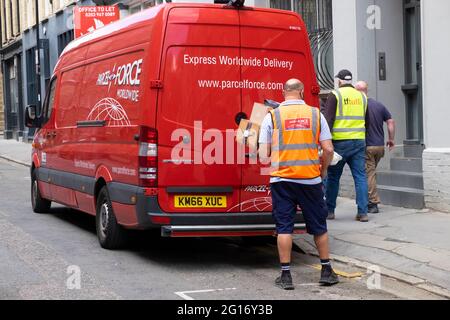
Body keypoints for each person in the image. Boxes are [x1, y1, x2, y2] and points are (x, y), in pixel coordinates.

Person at [259, 79, 339, 290]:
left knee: (284, 226)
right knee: (319, 226)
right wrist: (322, 172)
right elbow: (329, 150)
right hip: (310, 179)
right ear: (302, 92)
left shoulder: (272, 116)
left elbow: (262, 153)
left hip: (282, 180)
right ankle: (326, 270)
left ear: (283, 91)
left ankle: (286, 275)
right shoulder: (315, 114)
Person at [321, 70, 370, 222]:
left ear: (339, 81)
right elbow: (366, 120)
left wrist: (325, 142)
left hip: (340, 142)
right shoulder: (362, 96)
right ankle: (363, 212)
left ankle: (329, 211)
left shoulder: (335, 95)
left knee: (334, 177)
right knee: (361, 177)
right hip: (359, 141)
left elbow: (328, 120)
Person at [355, 81, 396, 214]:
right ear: (367, 90)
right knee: (371, 173)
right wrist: (391, 139)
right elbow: (390, 121)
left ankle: (373, 203)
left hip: (367, 146)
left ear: (356, 91)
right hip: (379, 146)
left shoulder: (358, 105)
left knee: (369, 174)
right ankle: (368, 199)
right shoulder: (379, 105)